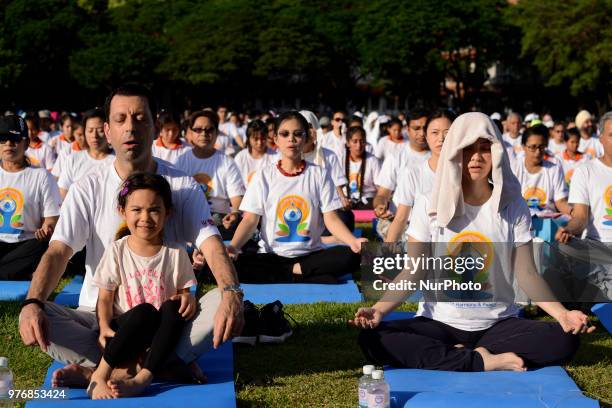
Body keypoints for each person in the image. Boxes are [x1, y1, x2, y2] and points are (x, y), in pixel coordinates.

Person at [18, 84, 244, 389]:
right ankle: (160, 365)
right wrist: (32, 302)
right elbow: (58, 251)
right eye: (121, 119)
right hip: (101, 324)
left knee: (223, 299)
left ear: (154, 128)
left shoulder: (182, 185)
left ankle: (112, 370)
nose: (131, 128)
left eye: (140, 118)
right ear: (108, 131)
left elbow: (212, 245)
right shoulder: (89, 186)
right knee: (39, 312)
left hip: (168, 321)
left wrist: (231, 294)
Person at [351, 112, 594, 372]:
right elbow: (413, 270)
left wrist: (562, 315)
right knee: (373, 339)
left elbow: (526, 273)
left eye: (484, 148)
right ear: (455, 152)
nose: (476, 157)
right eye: (468, 149)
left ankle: (456, 357)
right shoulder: (427, 202)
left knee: (565, 340)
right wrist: (378, 310)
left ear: (497, 152)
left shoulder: (513, 205)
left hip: (498, 325)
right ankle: (483, 360)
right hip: (439, 323)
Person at [87, 173, 198, 399]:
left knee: (172, 307)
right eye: (137, 210)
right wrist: (105, 326)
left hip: (158, 337)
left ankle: (143, 378)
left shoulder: (176, 252)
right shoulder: (117, 250)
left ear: (168, 213)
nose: (145, 217)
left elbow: (183, 296)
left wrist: (189, 299)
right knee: (146, 311)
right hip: (126, 332)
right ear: (123, 212)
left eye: (154, 210)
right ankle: (100, 374)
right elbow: (105, 298)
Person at [226, 111, 367, 283]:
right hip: (272, 256)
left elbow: (331, 219)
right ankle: (301, 274)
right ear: (276, 139)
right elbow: (250, 220)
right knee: (228, 263)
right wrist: (233, 246)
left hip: (311, 255)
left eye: (298, 134)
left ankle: (289, 273)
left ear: (307, 138)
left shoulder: (319, 174)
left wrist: (353, 241)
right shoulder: (264, 175)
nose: (291, 139)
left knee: (353, 255)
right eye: (284, 134)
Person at [0, 115, 61, 280]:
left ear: (26, 143)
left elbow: (52, 220)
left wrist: (47, 229)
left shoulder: (41, 176)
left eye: (15, 139)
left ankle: (12, 270)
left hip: (28, 243)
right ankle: (12, 271)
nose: (8, 144)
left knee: (42, 245)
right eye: (3, 139)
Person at [385, 110, 455, 243]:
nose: (441, 138)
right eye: (435, 133)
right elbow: (400, 218)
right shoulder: (413, 173)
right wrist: (385, 254)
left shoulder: (467, 172)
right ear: (427, 137)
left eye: (447, 132)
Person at [175, 110, 245, 240]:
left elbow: (236, 196)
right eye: (198, 130)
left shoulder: (227, 162)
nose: (204, 134)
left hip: (219, 222)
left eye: (209, 130)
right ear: (189, 133)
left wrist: (235, 212)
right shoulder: (180, 161)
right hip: (188, 221)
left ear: (216, 133)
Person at [373, 109, 431, 240]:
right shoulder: (396, 156)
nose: (422, 133)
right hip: (400, 220)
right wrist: (380, 206)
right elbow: (382, 193)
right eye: (416, 128)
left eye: (425, 128)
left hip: (431, 223)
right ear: (407, 129)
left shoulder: (439, 155)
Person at [557, 111, 612, 244]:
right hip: (597, 247)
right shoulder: (585, 172)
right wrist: (569, 229)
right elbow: (580, 217)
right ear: (601, 138)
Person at [512, 124, 570, 216]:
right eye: (533, 147)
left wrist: (573, 212)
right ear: (523, 147)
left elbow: (561, 201)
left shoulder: (554, 168)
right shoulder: (514, 168)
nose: (538, 151)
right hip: (520, 219)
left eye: (541, 147)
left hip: (548, 221)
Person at [57, 108, 115, 200]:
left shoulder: (117, 159)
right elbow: (63, 195)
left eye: (100, 130)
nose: (94, 136)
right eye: (90, 130)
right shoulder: (73, 159)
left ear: (108, 130)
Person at [342, 126, 380, 210]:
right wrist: (342, 198)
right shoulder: (340, 159)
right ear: (348, 143)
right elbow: (336, 185)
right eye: (354, 141)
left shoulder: (373, 160)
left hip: (368, 201)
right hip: (345, 201)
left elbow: (379, 187)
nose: (358, 146)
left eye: (362, 141)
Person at [234, 120, 276, 186]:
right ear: (249, 139)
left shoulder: (276, 156)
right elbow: (235, 184)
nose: (259, 142)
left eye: (263, 138)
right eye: (256, 139)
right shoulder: (240, 158)